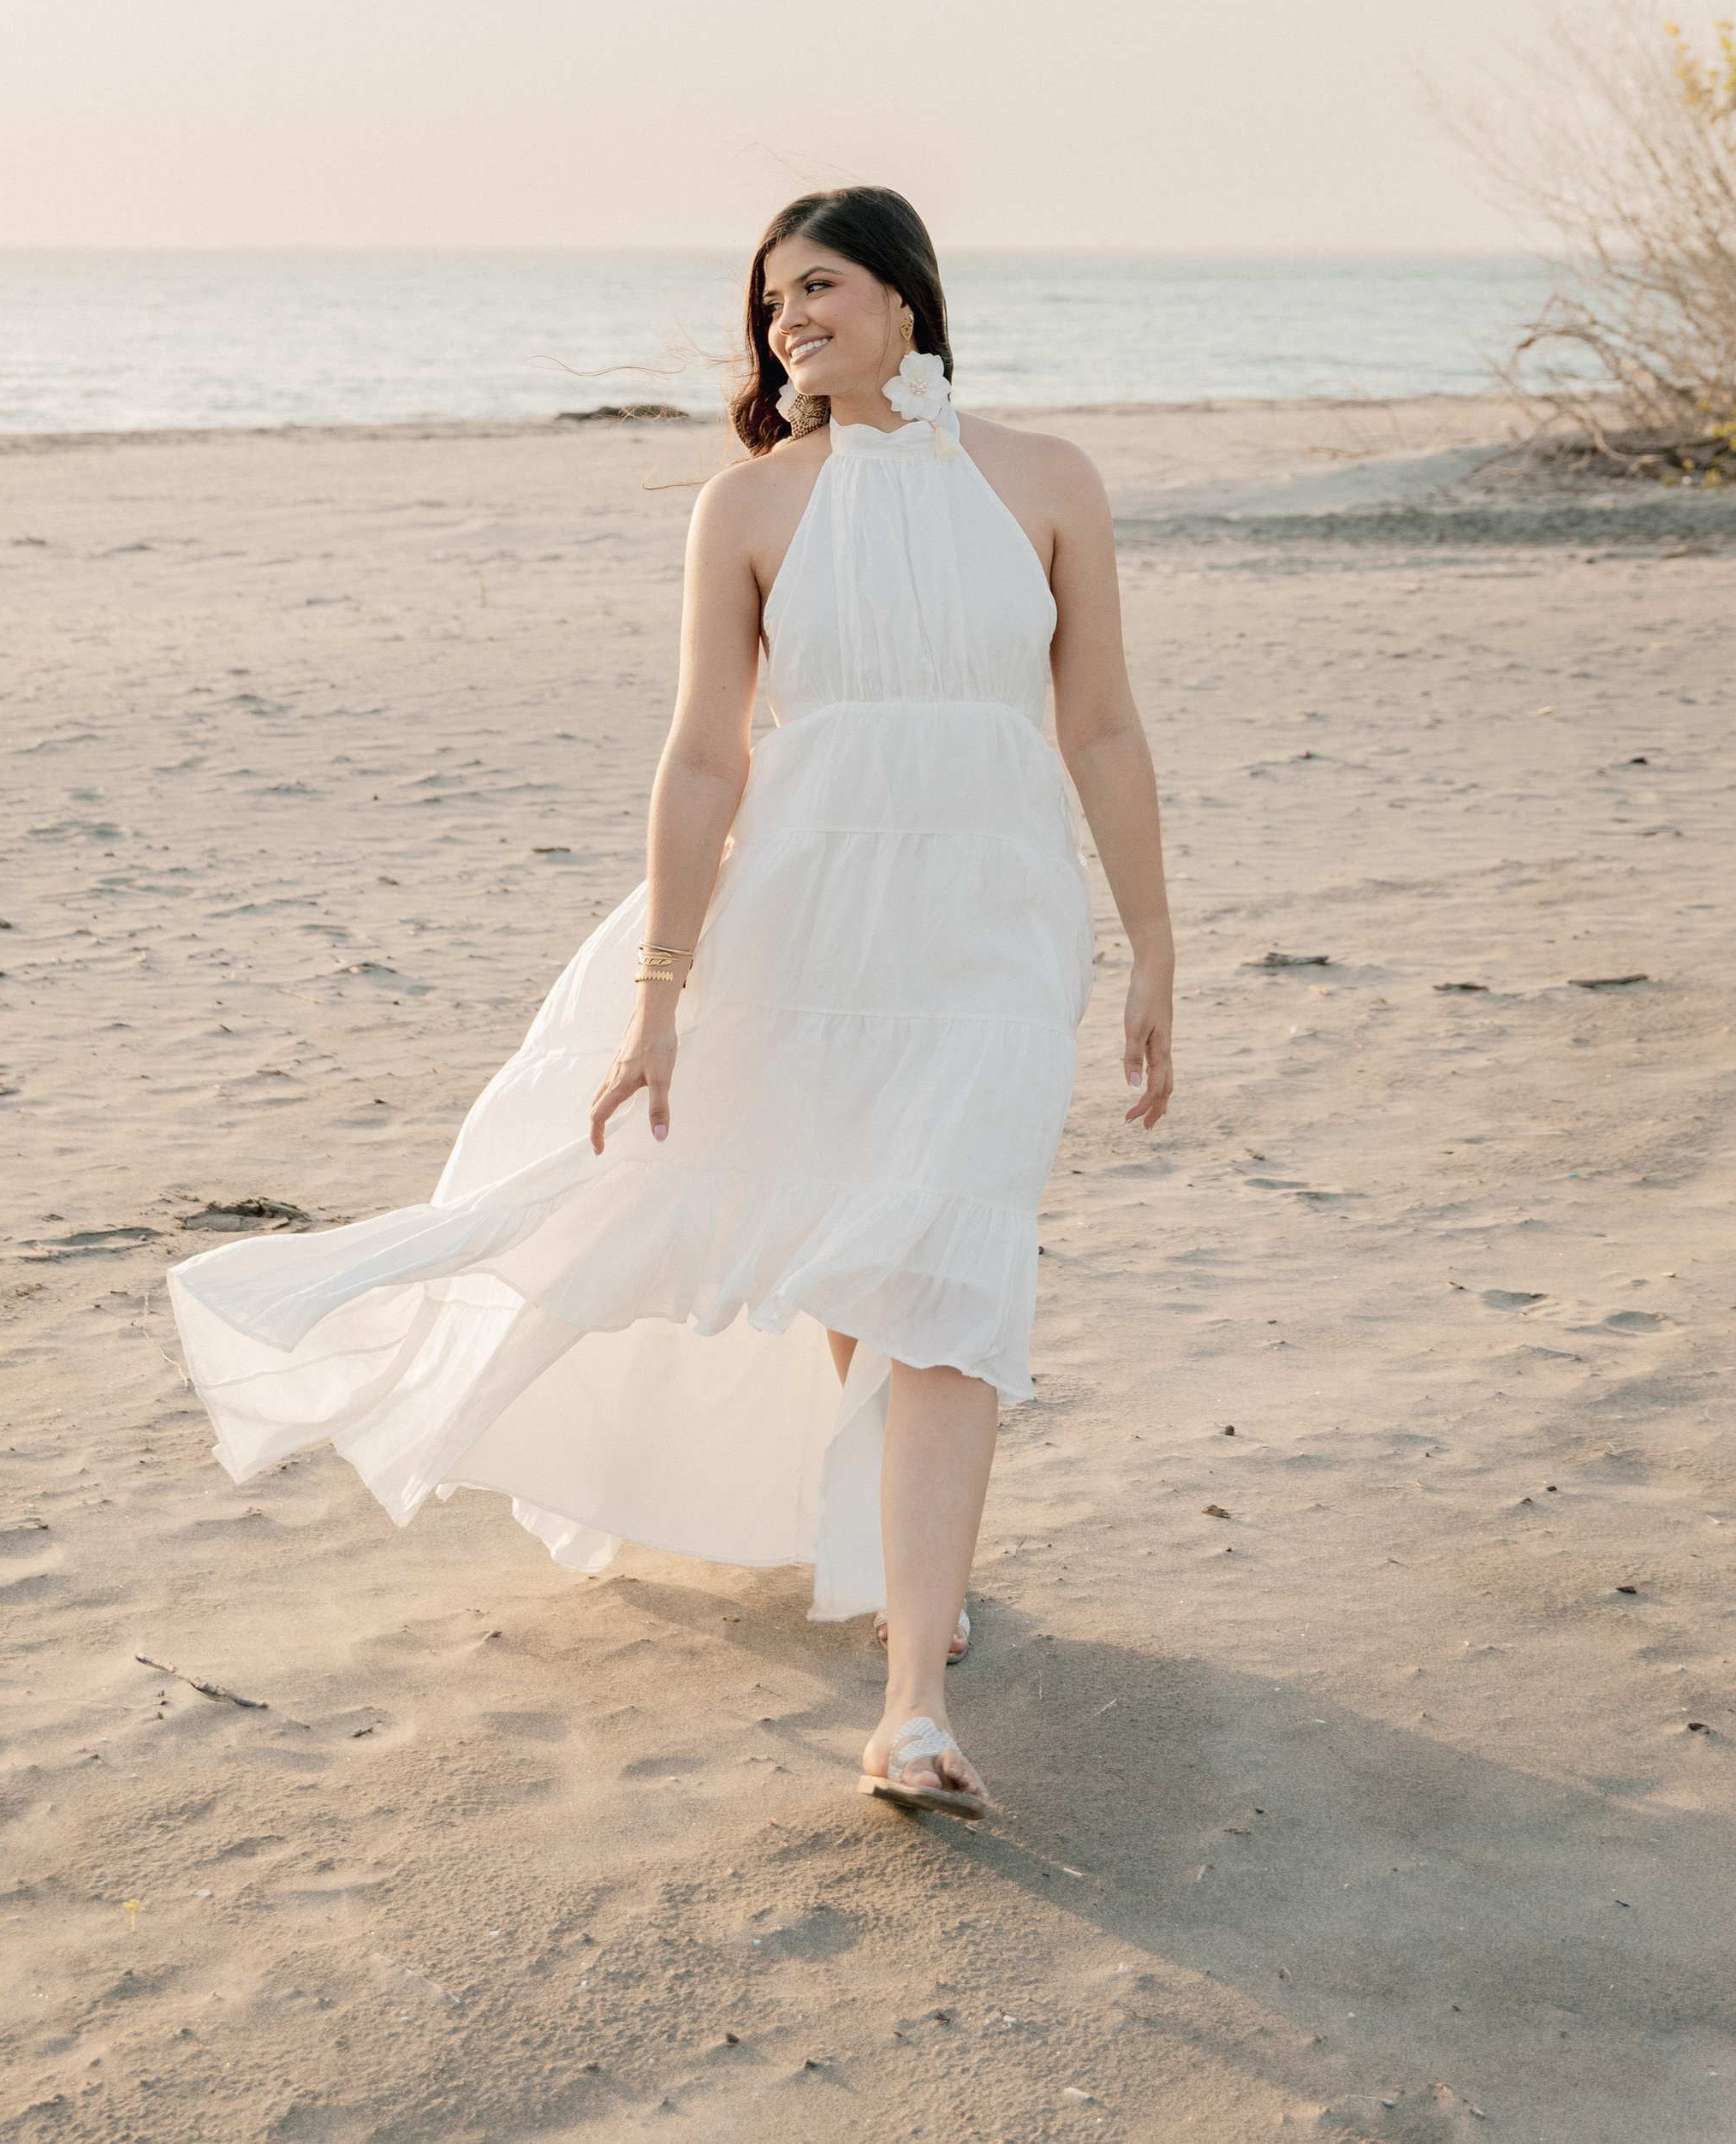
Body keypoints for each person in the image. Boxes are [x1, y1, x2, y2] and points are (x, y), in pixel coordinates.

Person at [168, 187, 1174, 1819]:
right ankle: (914, 1612)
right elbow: (705, 755)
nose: (789, 321)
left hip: (996, 926)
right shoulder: (752, 507)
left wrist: (1154, 945)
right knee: (869, 1249)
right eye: (770, 302)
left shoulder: (1049, 481)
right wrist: (660, 994)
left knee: (948, 1267)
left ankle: (911, 1698)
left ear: (906, 297)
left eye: (819, 287)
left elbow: (1104, 726)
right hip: (809, 922)